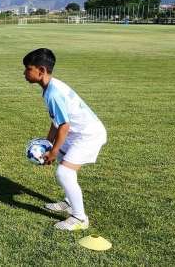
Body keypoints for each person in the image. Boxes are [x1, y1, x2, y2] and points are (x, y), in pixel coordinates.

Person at [22, 48, 107, 230]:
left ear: (41, 71)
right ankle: (69, 202)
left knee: (64, 172)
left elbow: (64, 126)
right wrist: (48, 144)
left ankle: (79, 218)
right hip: (77, 133)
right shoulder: (51, 87)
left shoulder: (53, 93)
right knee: (62, 160)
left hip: (88, 135)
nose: (24, 73)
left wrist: (52, 151)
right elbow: (57, 121)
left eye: (28, 69)